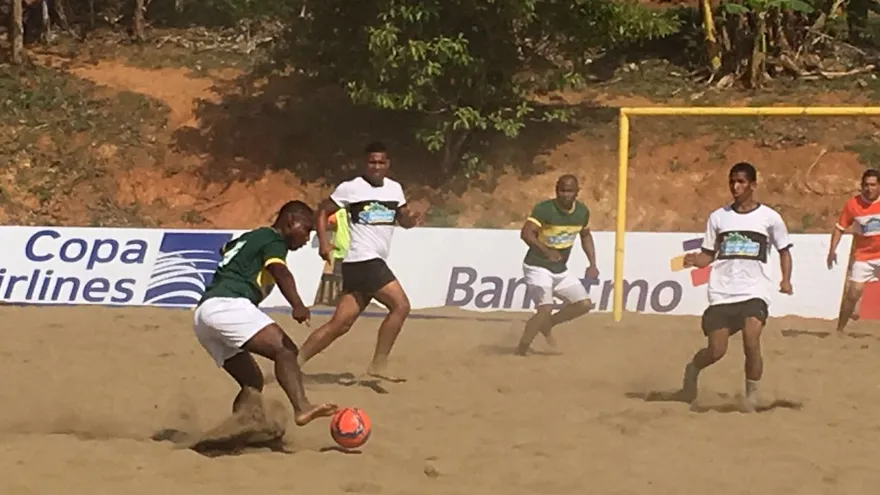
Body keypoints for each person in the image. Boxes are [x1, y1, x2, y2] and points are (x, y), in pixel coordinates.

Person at [193, 200, 337, 428]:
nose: (307, 238)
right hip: (228, 305)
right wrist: (297, 304)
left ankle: (236, 429)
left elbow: (225, 249)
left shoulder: (255, 237)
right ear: (291, 222)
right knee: (286, 350)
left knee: (252, 382)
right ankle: (302, 407)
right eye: (306, 229)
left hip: (203, 316)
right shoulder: (274, 239)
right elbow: (279, 271)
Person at [297, 142, 422, 383]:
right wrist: (323, 242)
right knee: (401, 306)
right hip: (363, 259)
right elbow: (322, 211)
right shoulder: (351, 188)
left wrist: (411, 220)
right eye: (372, 162)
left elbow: (402, 221)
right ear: (365, 164)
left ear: (388, 164)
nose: (376, 166)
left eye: (381, 162)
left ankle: (293, 363)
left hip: (364, 263)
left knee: (340, 324)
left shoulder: (395, 189)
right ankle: (379, 363)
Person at [678, 162, 793, 412]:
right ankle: (692, 370)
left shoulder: (769, 218)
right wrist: (695, 261)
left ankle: (750, 397)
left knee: (751, 340)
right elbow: (709, 255)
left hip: (755, 291)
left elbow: (784, 250)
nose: (735, 186)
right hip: (722, 292)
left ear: (753, 185)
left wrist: (786, 279)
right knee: (716, 351)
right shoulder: (718, 217)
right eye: (732, 181)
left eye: (741, 181)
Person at [516, 174, 598, 356]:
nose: (565, 195)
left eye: (569, 191)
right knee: (545, 308)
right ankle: (521, 350)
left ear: (577, 192)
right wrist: (546, 252)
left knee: (584, 305)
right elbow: (526, 234)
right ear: (556, 190)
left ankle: (548, 324)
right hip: (537, 266)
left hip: (559, 269)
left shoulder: (582, 212)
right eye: (562, 190)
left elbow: (585, 236)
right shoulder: (544, 209)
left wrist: (592, 264)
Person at [826, 168, 880, 333]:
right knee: (853, 294)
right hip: (864, 256)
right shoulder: (853, 205)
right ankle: (840, 329)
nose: (869, 189)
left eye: (873, 185)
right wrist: (832, 250)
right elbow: (839, 228)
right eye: (866, 185)